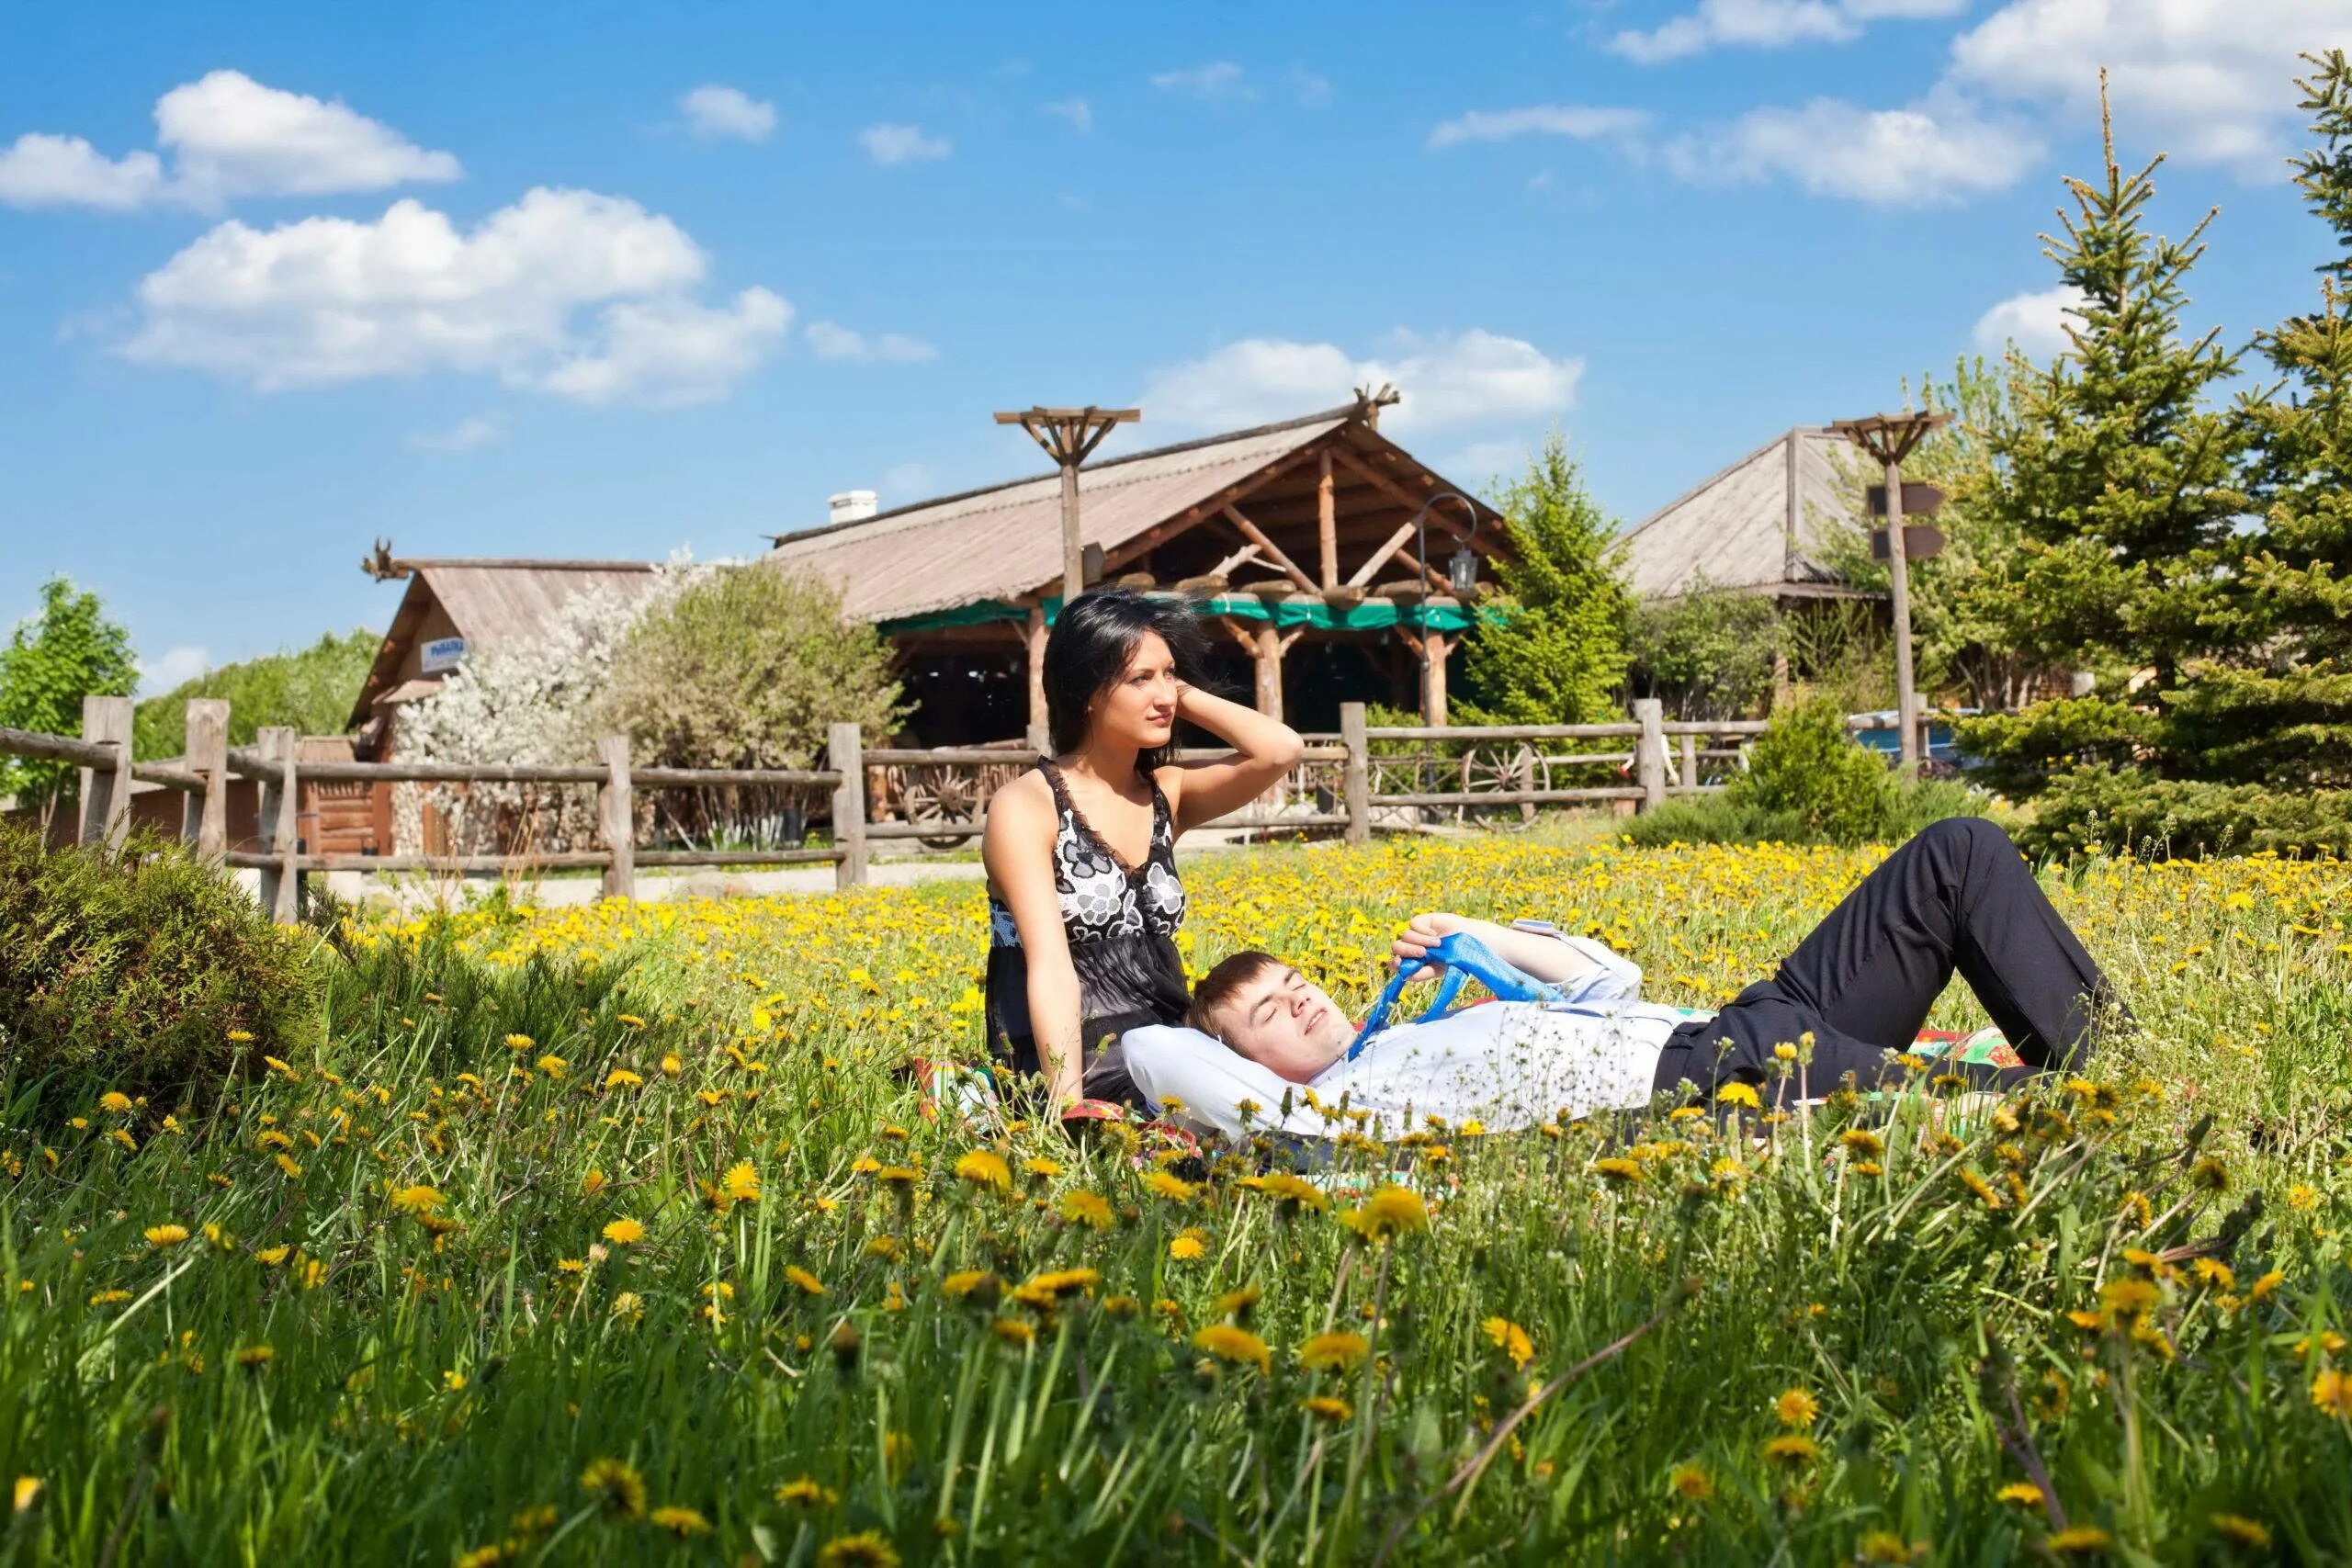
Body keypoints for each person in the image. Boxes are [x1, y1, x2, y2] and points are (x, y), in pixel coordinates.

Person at [1147, 817, 2128, 1137]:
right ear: (1250, 1066)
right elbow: (1158, 1055)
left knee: (1958, 852)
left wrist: (1475, 929)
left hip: (1756, 1017)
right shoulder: (1343, 1115)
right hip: (1709, 1077)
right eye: (1270, 1012)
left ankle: (2123, 1060)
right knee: (2035, 1115)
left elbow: (1608, 975)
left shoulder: (1416, 1032)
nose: (1304, 998)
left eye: (1297, 979)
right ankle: (2119, 1101)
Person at [981, 589, 1304, 1109]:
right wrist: (1070, 1110)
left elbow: (1280, 748)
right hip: (1073, 1057)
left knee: (1302, 1070)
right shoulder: (1025, 806)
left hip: (1169, 1040)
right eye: (1139, 679)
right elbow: (1049, 967)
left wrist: (1168, 684)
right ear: (1086, 690)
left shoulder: (1166, 793)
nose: (1165, 697)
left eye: (1169, 674)